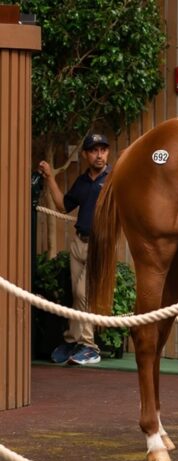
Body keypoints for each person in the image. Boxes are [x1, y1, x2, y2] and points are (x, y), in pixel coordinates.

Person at [38, 134, 113, 366]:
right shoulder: (83, 181)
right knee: (75, 293)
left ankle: (90, 346)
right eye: (94, 150)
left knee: (83, 293)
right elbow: (63, 206)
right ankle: (73, 340)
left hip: (100, 245)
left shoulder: (113, 180)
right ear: (85, 155)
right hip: (78, 242)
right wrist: (50, 177)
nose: (99, 155)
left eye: (103, 150)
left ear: (108, 153)